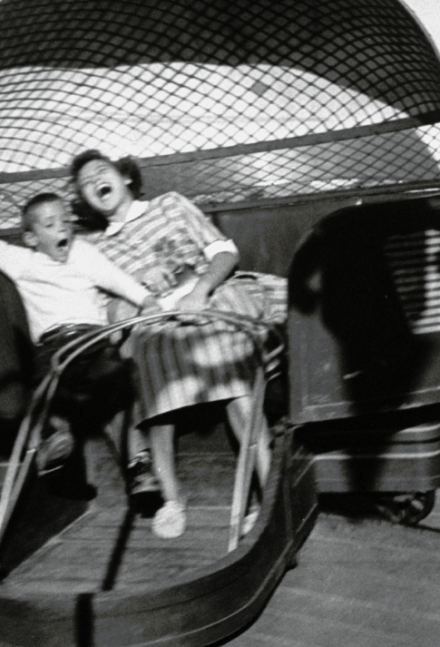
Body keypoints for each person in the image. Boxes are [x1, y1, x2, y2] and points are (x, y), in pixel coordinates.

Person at [71, 150, 286, 539]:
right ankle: (173, 498)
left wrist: (201, 291)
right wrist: (134, 304)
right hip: (159, 320)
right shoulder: (98, 249)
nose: (95, 183)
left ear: (125, 177)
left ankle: (268, 497)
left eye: (101, 173)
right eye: (86, 184)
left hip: (210, 296)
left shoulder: (170, 205)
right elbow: (110, 305)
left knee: (226, 352)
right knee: (148, 353)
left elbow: (222, 252)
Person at [0, 193, 160, 484]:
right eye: (50, 224)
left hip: (92, 339)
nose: (63, 228)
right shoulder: (24, 262)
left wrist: (147, 300)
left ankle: (139, 467)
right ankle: (54, 437)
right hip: (54, 345)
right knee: (38, 384)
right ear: (30, 238)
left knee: (114, 387)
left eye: (66, 221)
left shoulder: (84, 254)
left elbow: (116, 279)